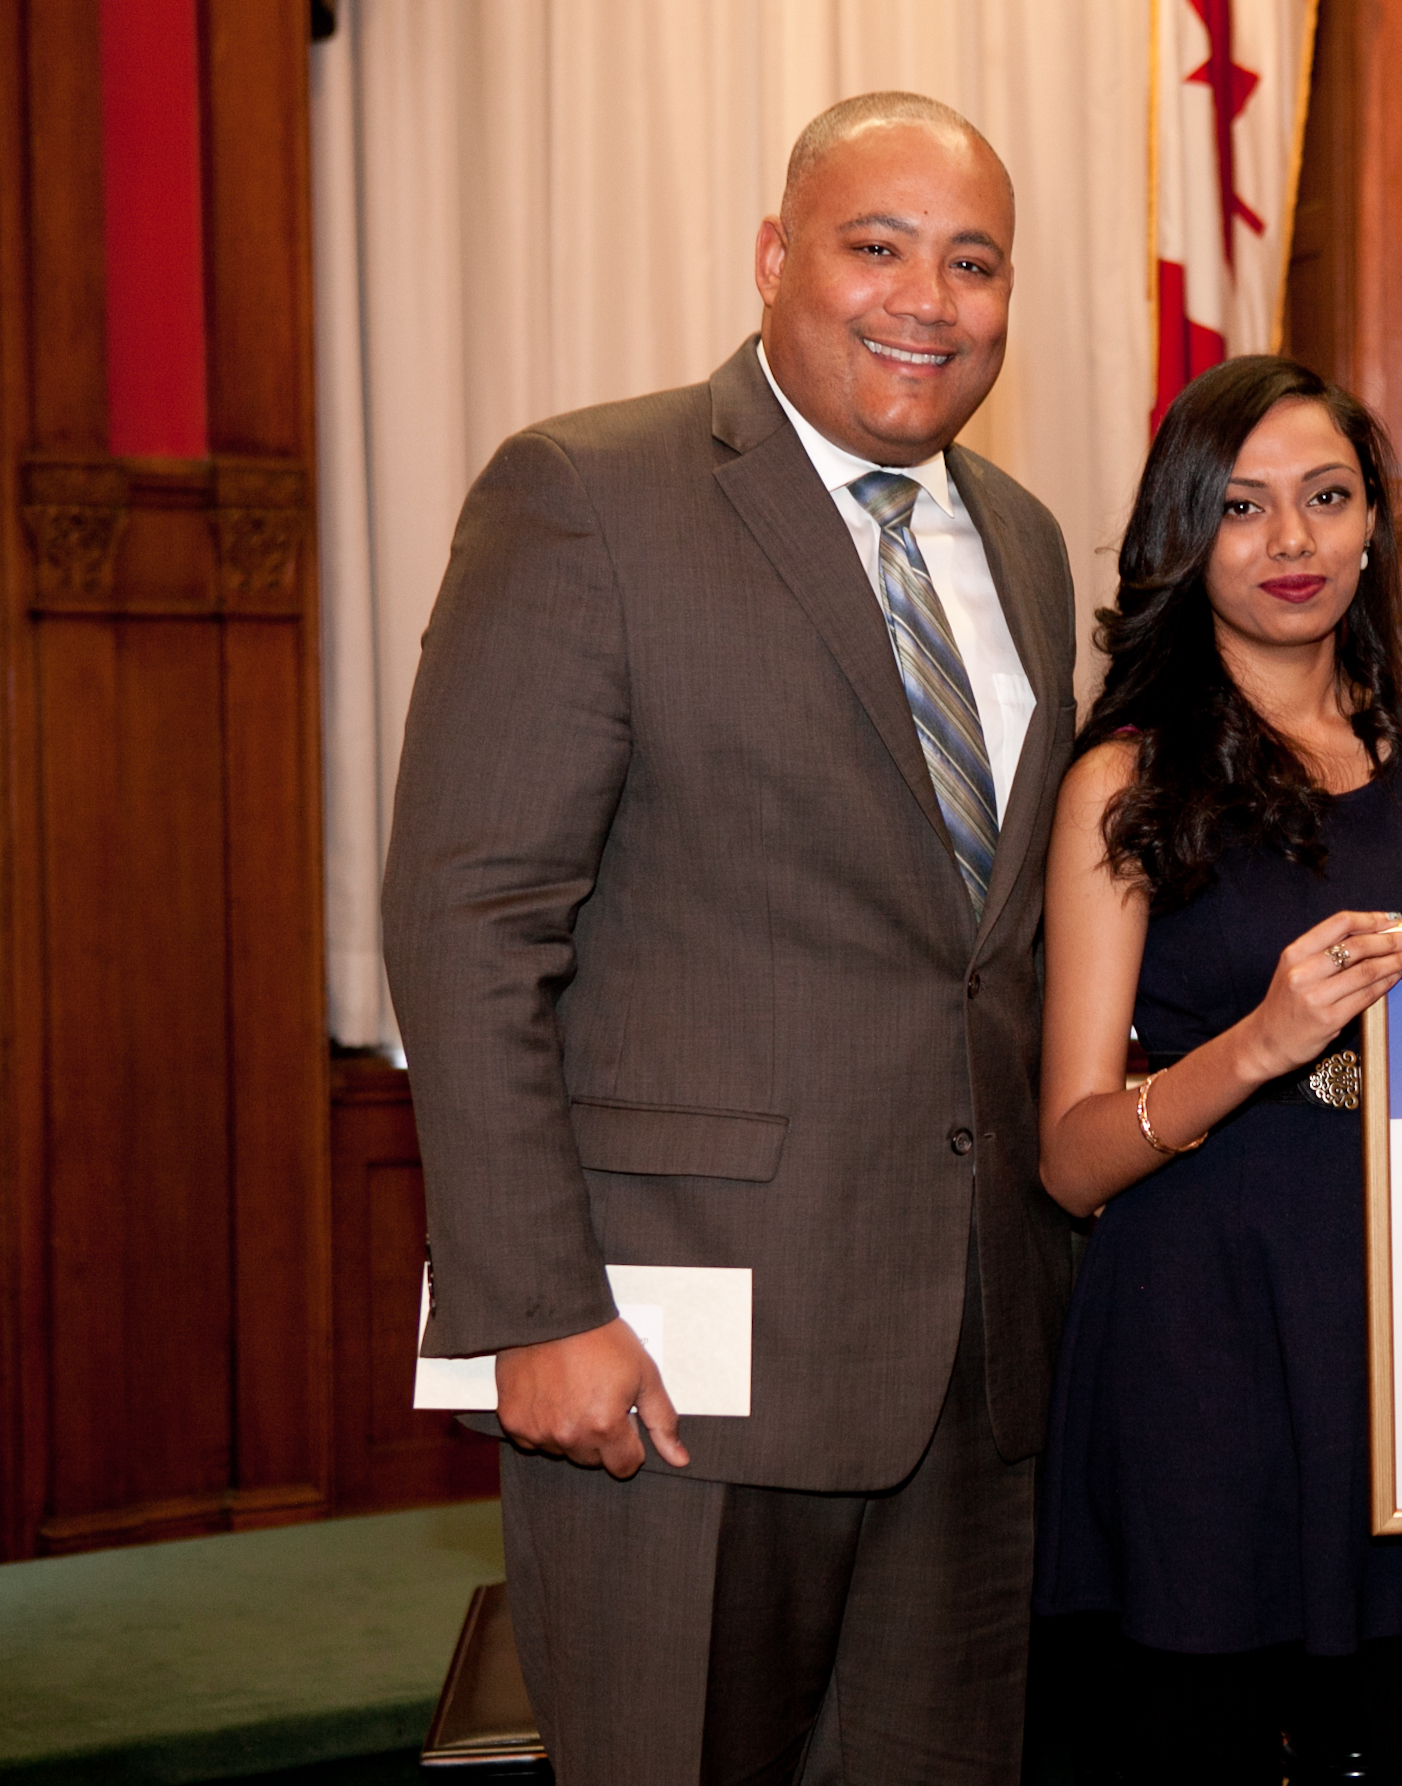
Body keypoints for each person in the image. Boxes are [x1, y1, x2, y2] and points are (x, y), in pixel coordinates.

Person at [385, 93, 1076, 1783]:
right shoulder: (589, 495)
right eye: (878, 245)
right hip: (670, 1375)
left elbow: (984, 953)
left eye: (973, 262)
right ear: (776, 259)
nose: (930, 296)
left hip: (975, 1367)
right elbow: (467, 917)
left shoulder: (1033, 547)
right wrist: (530, 1306)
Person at [1029, 355, 1402, 1784]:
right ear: (1181, 540)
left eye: (1326, 498)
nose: (1291, 542)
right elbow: (1070, 1156)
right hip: (1200, 1355)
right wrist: (1255, 1044)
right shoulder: (1121, 781)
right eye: (1242, 508)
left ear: (1377, 520)